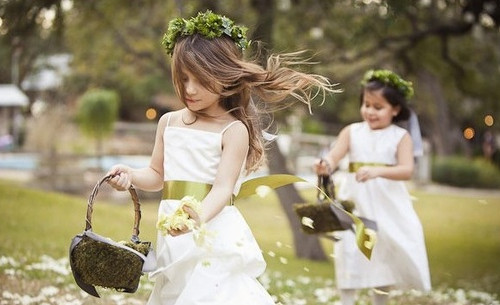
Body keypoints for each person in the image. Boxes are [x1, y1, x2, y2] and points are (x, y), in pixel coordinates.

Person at [106, 10, 337, 305]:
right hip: (173, 233)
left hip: (210, 230)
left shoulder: (233, 130)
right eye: (183, 78)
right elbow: (156, 175)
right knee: (178, 292)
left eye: (201, 80)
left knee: (210, 293)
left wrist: (197, 217)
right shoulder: (169, 122)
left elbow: (223, 188)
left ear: (225, 76)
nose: (189, 89)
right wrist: (128, 175)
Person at [314, 69, 431, 305]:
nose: (370, 111)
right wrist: (325, 165)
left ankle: (381, 301)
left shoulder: (400, 137)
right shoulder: (352, 131)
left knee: (381, 255)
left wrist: (378, 171)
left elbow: (407, 169)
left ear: (395, 109)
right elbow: (334, 156)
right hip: (355, 201)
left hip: (385, 203)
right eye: (366, 105)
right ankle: (347, 299)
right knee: (349, 250)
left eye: (378, 107)